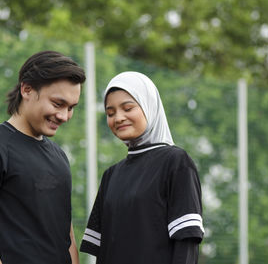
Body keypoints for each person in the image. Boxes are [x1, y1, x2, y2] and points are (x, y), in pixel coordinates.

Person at [0, 50, 86, 264]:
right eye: (58, 104)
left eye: (71, 108)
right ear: (27, 89)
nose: (64, 116)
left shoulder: (60, 157)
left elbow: (68, 236)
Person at [80, 71, 204, 264]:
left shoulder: (176, 162)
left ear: (149, 106)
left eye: (128, 108)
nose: (118, 118)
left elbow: (186, 242)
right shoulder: (110, 176)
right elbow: (102, 252)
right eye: (110, 113)